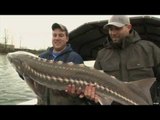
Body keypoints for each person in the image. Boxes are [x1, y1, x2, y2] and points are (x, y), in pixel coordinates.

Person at [66, 15, 160, 105]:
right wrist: (90, 96)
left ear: (128, 27)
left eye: (117, 28)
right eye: (111, 29)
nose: (113, 33)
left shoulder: (149, 49)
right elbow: (94, 86)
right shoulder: (102, 55)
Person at [22, 23, 95, 105]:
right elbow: (29, 76)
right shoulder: (42, 56)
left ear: (67, 38)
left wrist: (75, 93)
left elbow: (81, 91)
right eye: (54, 35)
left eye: (60, 35)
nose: (57, 38)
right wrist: (21, 69)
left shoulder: (75, 58)